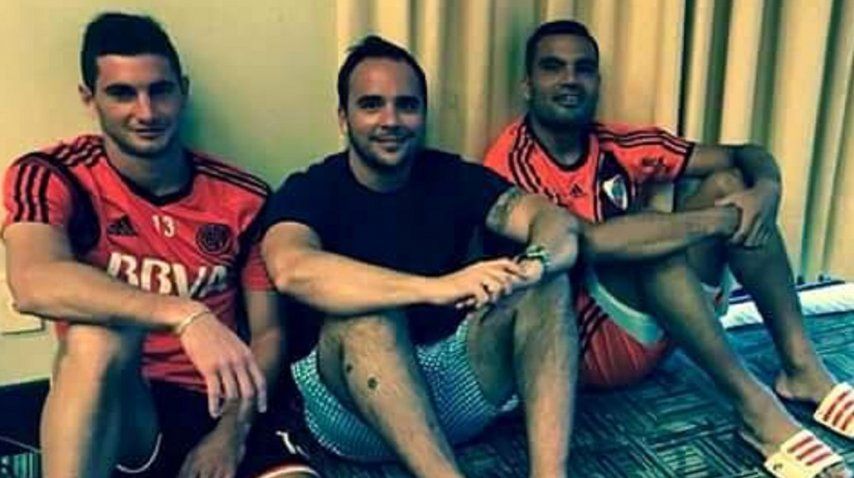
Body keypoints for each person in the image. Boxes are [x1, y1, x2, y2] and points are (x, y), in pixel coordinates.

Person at [483, 19, 851, 478]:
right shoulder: (511, 163)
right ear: (527, 85)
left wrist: (767, 190)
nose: (570, 80)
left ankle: (803, 370)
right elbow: (587, 242)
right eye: (553, 67)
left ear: (597, 80)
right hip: (586, 350)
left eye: (583, 68)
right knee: (649, 242)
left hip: (664, 320)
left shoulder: (617, 142)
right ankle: (757, 409)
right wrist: (716, 221)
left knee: (729, 184)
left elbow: (743, 153)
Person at [2, 13, 317, 478]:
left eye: (160, 91)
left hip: (220, 404)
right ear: (89, 98)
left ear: (182, 91)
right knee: (97, 336)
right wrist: (184, 315)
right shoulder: (55, 174)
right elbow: (32, 282)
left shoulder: (242, 196)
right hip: (124, 407)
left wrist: (230, 434)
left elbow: (268, 334)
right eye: (122, 93)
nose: (146, 113)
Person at [260, 35, 582, 478]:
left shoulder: (451, 175)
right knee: (368, 319)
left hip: (450, 384)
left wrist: (533, 266)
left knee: (550, 284)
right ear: (343, 118)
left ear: (423, 114)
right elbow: (292, 269)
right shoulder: (311, 189)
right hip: (352, 410)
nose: (391, 120)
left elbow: (555, 222)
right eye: (371, 105)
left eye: (406, 106)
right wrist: (435, 289)